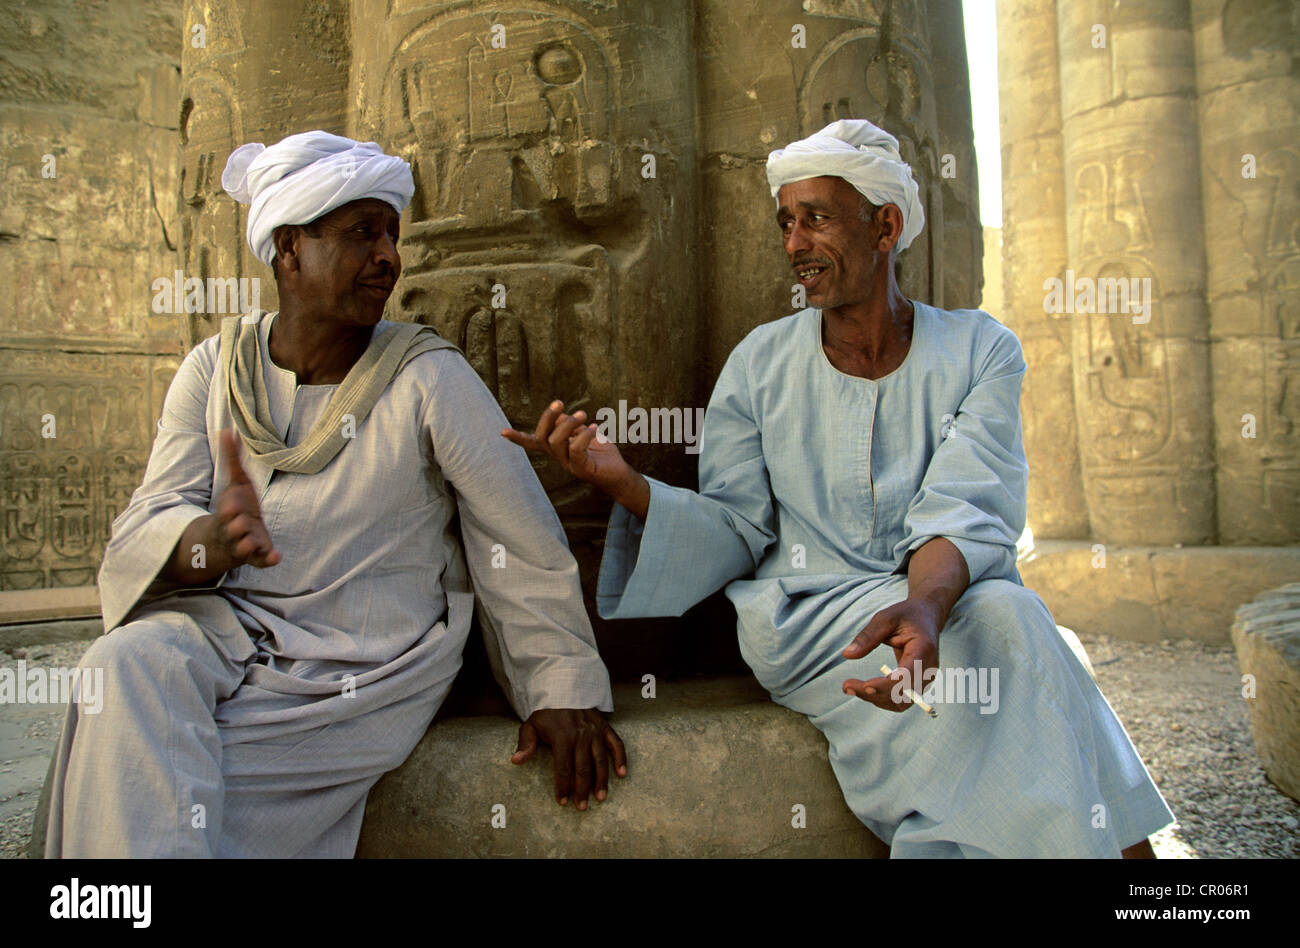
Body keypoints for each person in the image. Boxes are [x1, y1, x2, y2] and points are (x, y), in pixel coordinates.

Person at [505, 119, 1174, 858]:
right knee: (1010, 634)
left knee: (1010, 618)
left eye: (817, 219)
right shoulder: (759, 364)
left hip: (943, 594)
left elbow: (968, 504)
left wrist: (921, 606)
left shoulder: (982, 349)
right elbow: (738, 530)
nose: (795, 243)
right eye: (786, 222)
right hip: (809, 616)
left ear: (884, 225)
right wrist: (625, 483)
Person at [44, 130, 625, 858]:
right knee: (120, 664)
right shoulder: (213, 369)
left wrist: (560, 690)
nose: (388, 257)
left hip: (360, 664)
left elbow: (517, 542)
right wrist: (210, 546)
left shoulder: (428, 377)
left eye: (391, 234)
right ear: (289, 249)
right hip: (228, 634)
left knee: (160, 786)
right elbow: (152, 519)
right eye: (360, 234)